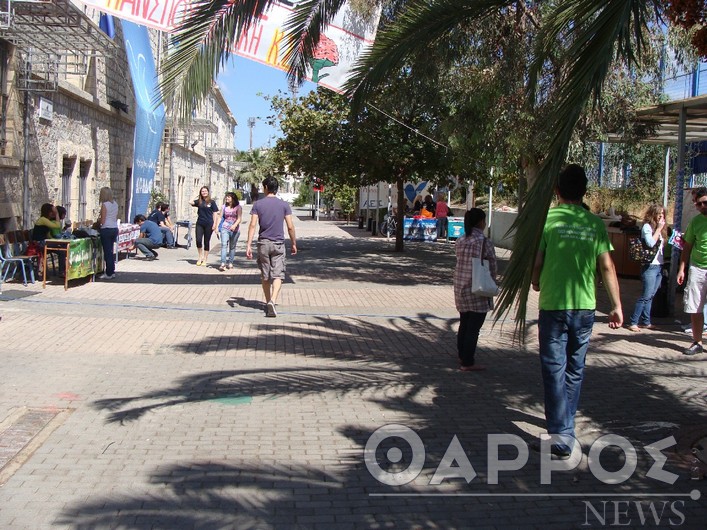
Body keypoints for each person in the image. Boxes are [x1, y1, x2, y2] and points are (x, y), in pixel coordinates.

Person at [531, 164, 622, 459]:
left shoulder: (547, 220)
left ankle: (562, 435)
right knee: (574, 368)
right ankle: (565, 428)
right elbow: (607, 266)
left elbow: (537, 260)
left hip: (553, 306)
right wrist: (617, 306)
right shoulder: (595, 224)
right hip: (585, 307)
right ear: (584, 192)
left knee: (553, 369)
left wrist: (534, 280)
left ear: (557, 191)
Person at [245, 176, 297, 317]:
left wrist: (248, 245)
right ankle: (272, 301)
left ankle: (268, 300)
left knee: (265, 274)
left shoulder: (258, 205)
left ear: (266, 187)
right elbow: (290, 227)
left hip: (263, 243)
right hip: (278, 244)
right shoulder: (284, 205)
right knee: (278, 274)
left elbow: (252, 225)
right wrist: (293, 243)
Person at [453, 208, 496, 371]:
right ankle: (468, 361)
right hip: (478, 286)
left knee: (464, 322)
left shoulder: (461, 240)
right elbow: (492, 265)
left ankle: (462, 355)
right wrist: (493, 281)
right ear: (480, 222)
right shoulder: (484, 242)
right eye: (484, 220)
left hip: (460, 285)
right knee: (474, 327)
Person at [626, 205, 666, 332]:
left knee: (651, 295)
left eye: (663, 214)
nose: (661, 216)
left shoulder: (661, 229)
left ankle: (646, 321)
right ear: (652, 214)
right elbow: (650, 243)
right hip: (649, 266)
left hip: (659, 265)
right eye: (659, 214)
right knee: (645, 295)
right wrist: (659, 229)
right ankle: (633, 321)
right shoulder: (647, 227)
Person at [677, 186, 707, 355]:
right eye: (698, 204)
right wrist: (682, 269)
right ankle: (697, 342)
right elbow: (687, 247)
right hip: (698, 268)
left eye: (704, 203)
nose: (702, 207)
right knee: (695, 307)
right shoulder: (695, 222)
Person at [191, 186, 218, 266]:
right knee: (198, 240)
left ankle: (205, 259)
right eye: (202, 191)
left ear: (208, 192)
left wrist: (215, 224)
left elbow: (215, 213)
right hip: (200, 223)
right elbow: (190, 202)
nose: (204, 192)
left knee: (206, 241)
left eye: (205, 191)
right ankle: (200, 257)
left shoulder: (212, 202)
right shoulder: (199, 201)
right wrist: (196, 195)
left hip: (209, 224)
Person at [217, 192, 242, 271]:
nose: (227, 198)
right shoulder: (224, 207)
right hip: (225, 227)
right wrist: (217, 227)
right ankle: (223, 263)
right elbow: (220, 217)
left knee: (232, 246)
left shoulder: (238, 207)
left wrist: (234, 225)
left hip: (235, 229)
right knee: (224, 245)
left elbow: (239, 218)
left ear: (233, 198)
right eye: (226, 197)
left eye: (229, 197)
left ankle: (230, 262)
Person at [98, 187, 119, 279]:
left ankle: (109, 273)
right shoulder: (115, 204)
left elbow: (102, 220)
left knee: (107, 252)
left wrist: (98, 221)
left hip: (106, 228)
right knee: (110, 250)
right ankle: (112, 271)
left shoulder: (105, 205)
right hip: (114, 228)